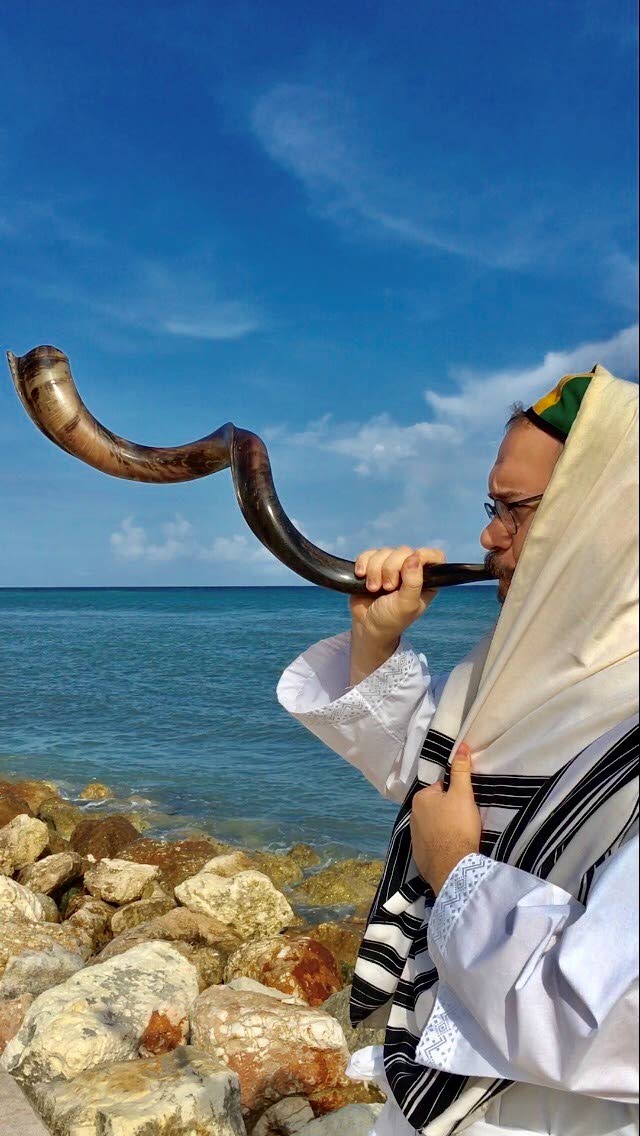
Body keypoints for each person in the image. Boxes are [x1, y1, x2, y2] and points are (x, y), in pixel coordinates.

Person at [277, 365, 639, 1136]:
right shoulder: (532, 658)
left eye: (514, 509)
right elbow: (436, 785)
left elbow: (608, 1023)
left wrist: (458, 876)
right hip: (439, 1079)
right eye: (491, 506)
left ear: (604, 515)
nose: (487, 536)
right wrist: (377, 641)